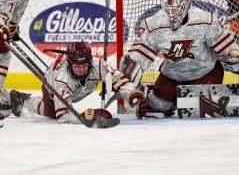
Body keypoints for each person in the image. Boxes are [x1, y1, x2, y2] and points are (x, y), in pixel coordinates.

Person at [120, 0, 239, 118]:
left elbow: (227, 49)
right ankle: (163, 98)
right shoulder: (153, 25)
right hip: (172, 75)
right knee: (156, 106)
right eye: (167, 9)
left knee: (198, 106)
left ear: (187, 5)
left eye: (174, 9)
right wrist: (127, 78)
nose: (171, 14)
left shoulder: (205, 20)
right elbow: (139, 54)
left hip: (205, 72)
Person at [5, 41, 147, 123]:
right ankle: (20, 98)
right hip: (51, 85)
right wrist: (88, 116)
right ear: (69, 64)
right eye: (77, 66)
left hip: (77, 89)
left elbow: (119, 79)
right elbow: (63, 117)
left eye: (84, 65)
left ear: (90, 62)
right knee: (52, 113)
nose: (81, 69)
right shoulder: (62, 80)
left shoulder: (98, 65)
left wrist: (133, 94)